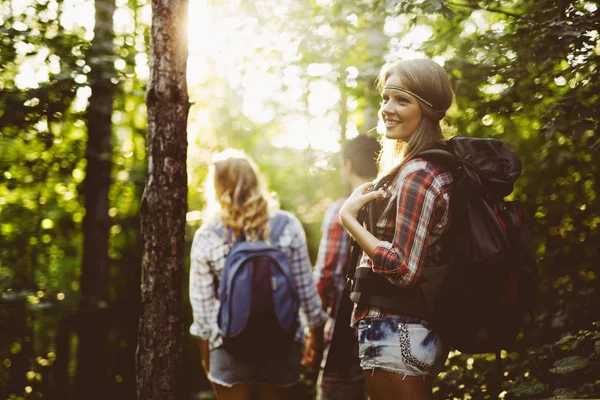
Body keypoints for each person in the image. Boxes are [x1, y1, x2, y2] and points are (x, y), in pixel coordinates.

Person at [338, 58, 455, 399]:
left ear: (429, 109)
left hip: (395, 332)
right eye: (386, 98)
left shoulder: (418, 173)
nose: (387, 109)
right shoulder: (429, 166)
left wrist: (348, 218)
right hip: (403, 332)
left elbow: (403, 269)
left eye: (402, 100)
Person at [189, 149, 326, 400]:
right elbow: (306, 293)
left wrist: (208, 360)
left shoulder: (208, 235)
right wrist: (315, 340)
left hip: (228, 347)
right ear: (255, 181)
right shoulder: (287, 225)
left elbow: (202, 312)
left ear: (216, 187)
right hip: (281, 345)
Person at [310, 135, 380, 400]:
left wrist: (314, 331)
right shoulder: (392, 202)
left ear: (348, 165)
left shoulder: (341, 210)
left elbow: (326, 276)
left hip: (344, 335)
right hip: (387, 334)